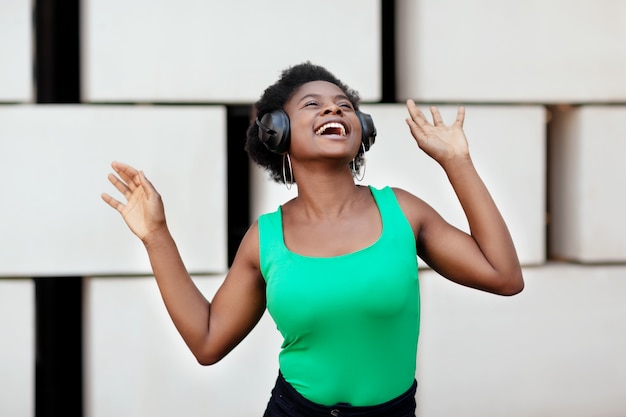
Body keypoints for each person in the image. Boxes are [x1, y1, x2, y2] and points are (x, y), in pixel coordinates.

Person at [101, 61, 524, 417]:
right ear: (277, 132)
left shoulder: (402, 212)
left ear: (362, 130)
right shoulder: (265, 238)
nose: (333, 111)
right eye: (313, 105)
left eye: (345, 106)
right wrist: (156, 236)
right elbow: (208, 341)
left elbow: (503, 276)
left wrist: (457, 161)